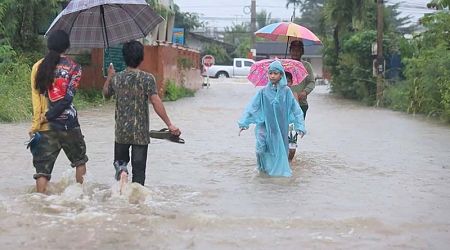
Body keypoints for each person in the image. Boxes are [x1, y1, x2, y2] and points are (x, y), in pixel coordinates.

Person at [103, 40, 181, 186]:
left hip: (121, 132)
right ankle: (136, 205)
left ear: (124, 58)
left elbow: (106, 94)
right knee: (139, 173)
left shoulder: (117, 78)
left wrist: (109, 76)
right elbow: (156, 102)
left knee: (120, 163)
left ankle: (123, 173)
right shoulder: (147, 78)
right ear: (141, 58)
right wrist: (169, 124)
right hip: (140, 135)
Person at [29, 30, 88, 193]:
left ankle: (39, 203)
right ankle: (80, 197)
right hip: (69, 124)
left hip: (45, 126)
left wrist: (36, 125)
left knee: (42, 170)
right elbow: (67, 99)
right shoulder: (75, 67)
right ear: (67, 46)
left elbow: (36, 101)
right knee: (80, 161)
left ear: (49, 45)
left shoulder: (37, 67)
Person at [238, 61, 306, 177]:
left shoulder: (286, 92)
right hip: (264, 126)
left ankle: (275, 177)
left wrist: (300, 126)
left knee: (278, 151)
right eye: (270, 73)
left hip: (280, 128)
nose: (272, 76)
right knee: (260, 148)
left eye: (275, 73)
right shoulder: (263, 92)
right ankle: (262, 170)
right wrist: (244, 123)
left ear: (281, 75)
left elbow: (296, 110)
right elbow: (252, 107)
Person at [288, 40, 315, 161]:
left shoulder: (306, 66)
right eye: (293, 50)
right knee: (282, 131)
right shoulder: (285, 65)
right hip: (284, 105)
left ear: (302, 52)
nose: (295, 52)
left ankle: (290, 155)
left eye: (298, 50)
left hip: (300, 105)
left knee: (292, 133)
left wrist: (304, 92)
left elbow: (312, 82)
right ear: (290, 51)